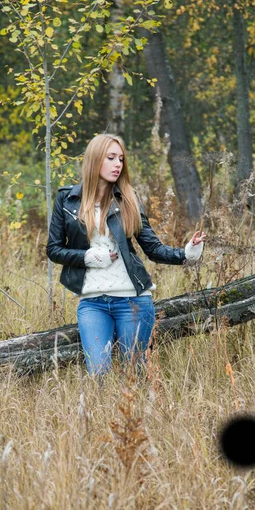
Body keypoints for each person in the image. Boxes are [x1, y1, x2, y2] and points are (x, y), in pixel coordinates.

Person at [46, 133, 206, 379]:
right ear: (95, 160)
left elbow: (153, 249)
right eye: (111, 158)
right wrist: (89, 257)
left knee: (135, 375)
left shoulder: (128, 199)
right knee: (98, 373)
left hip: (133, 301)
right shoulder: (67, 200)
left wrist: (187, 253)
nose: (118, 164)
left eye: (120, 159)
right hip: (92, 303)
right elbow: (53, 249)